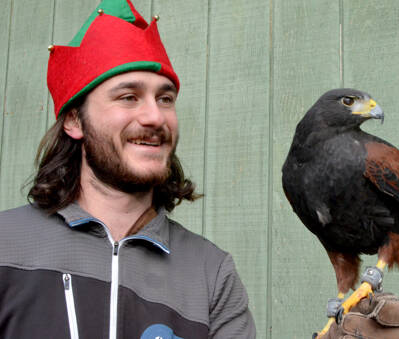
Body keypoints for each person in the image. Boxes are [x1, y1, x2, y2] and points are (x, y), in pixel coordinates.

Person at [0, 0, 256, 338]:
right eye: (128, 97)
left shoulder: (211, 273)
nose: (155, 116)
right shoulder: (6, 241)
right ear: (75, 121)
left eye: (165, 99)